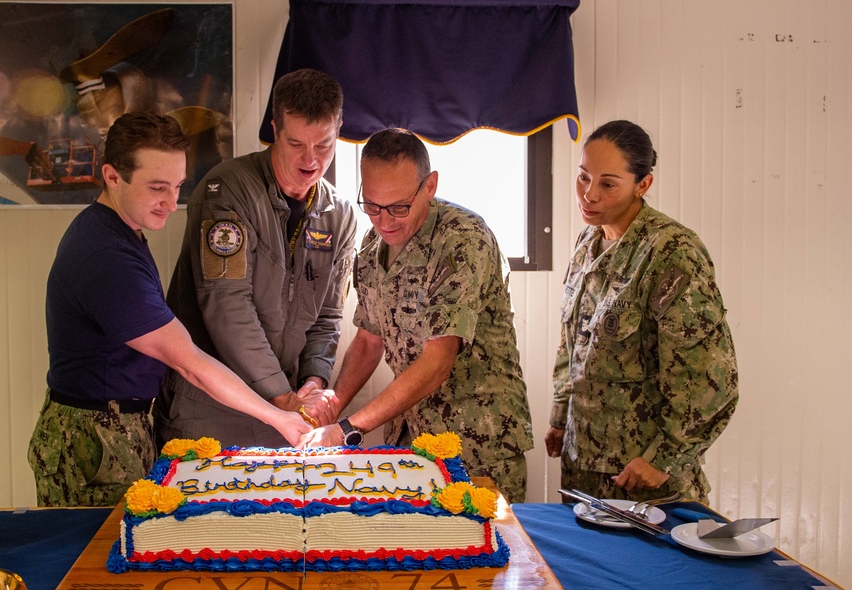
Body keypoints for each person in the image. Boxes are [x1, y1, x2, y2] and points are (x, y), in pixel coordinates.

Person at [27, 111, 310, 507]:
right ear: (112, 176)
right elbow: (189, 361)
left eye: (177, 186)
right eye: (157, 187)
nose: (171, 203)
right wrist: (278, 416)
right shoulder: (106, 255)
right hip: (93, 439)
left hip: (117, 424)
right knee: (97, 560)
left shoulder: (120, 230)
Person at [302, 128, 533, 504]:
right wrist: (332, 406)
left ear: (430, 186)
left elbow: (437, 362)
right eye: (372, 206)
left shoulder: (462, 239)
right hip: (409, 443)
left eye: (398, 207)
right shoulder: (374, 243)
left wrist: (346, 430)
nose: (384, 221)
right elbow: (368, 340)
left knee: (491, 557)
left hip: (475, 443)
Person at [151, 69, 357, 449]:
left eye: (324, 145)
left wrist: (313, 382)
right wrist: (283, 398)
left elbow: (328, 316)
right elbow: (227, 306)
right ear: (275, 128)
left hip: (288, 416)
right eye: (296, 144)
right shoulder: (227, 189)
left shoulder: (340, 214)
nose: (310, 160)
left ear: (340, 128)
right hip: (209, 412)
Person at [545, 119, 739, 503]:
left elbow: (710, 378)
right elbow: (574, 344)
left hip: (644, 481)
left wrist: (663, 459)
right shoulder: (588, 243)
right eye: (583, 177)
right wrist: (560, 415)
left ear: (642, 185)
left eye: (608, 184)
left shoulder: (671, 252)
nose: (589, 194)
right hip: (584, 470)